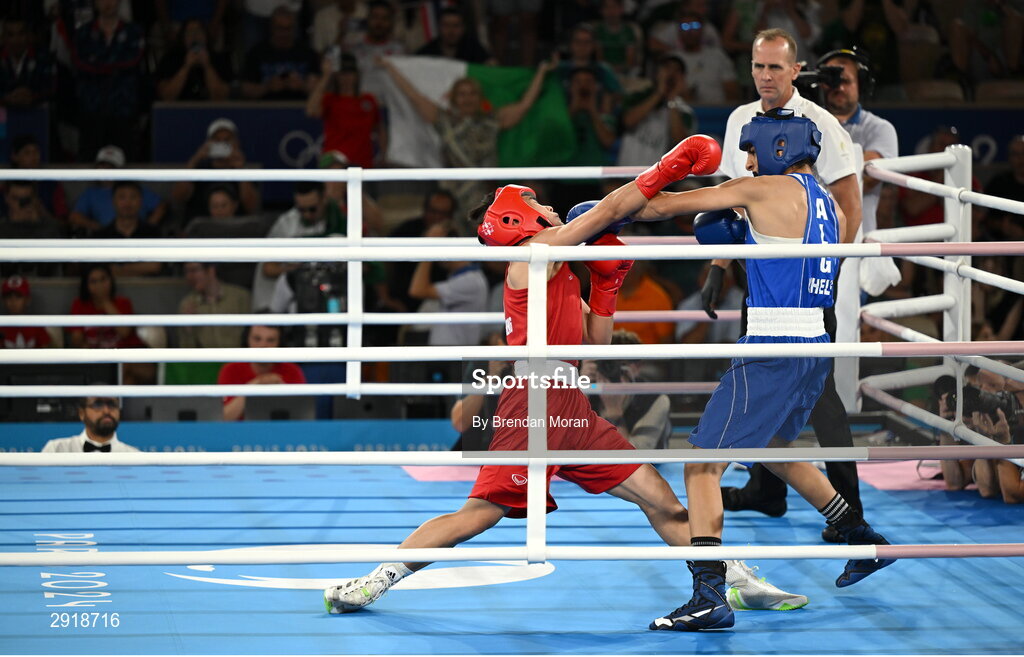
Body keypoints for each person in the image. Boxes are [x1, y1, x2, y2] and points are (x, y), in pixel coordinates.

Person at [324, 134, 809, 619]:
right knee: (479, 514)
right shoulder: (531, 255)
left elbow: (594, 346)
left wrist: (607, 283)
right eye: (538, 202)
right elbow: (607, 211)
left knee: (659, 499)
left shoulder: (557, 268)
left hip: (572, 406)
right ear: (518, 219)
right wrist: (669, 168)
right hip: (532, 404)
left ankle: (734, 579)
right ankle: (375, 580)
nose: (552, 206)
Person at [616, 110, 895, 632]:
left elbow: (665, 206)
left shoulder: (764, 188)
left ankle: (707, 595)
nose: (745, 162)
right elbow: (787, 262)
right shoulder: (828, 204)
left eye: (751, 150)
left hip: (772, 348)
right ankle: (863, 540)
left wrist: (610, 212)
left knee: (699, 467)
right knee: (776, 452)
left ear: (780, 145)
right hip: (814, 345)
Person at [706, 29, 865, 542]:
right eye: (758, 67)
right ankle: (767, 493)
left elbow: (850, 205)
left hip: (807, 287)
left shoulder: (818, 124)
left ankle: (851, 511)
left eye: (776, 67)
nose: (766, 76)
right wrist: (719, 266)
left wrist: (823, 274)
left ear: (796, 71)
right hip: (762, 281)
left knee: (822, 400)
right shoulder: (739, 121)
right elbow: (735, 200)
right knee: (764, 390)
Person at [69, 146, 168, 236]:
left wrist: (147, 227)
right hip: (107, 237)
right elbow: (75, 216)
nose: (105, 171)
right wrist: (99, 228)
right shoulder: (90, 193)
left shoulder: (135, 189)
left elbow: (162, 206)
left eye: (110, 167)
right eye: (102, 166)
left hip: (139, 236)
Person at [217, 323, 306, 421]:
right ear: (247, 339)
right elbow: (224, 418)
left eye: (270, 340)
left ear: (279, 343)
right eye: (257, 339)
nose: (263, 346)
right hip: (239, 434)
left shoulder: (292, 370)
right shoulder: (230, 370)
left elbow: (303, 419)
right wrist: (255, 385)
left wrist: (282, 389)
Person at [153, 16, 232, 101]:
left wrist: (207, 66)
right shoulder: (170, 59)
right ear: (183, 38)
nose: (195, 36)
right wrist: (186, 66)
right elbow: (166, 96)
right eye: (190, 32)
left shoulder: (219, 59)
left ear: (206, 36)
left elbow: (222, 97)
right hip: (179, 112)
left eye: (198, 31)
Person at [177, 262, 251, 349]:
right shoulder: (187, 304)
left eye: (194, 270)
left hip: (238, 358)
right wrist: (188, 330)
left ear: (211, 271)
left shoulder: (240, 297)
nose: (189, 277)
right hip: (206, 360)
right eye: (186, 272)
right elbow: (186, 349)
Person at [42, 394, 139, 453]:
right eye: (98, 404)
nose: (106, 411)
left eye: (112, 404)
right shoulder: (56, 449)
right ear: (81, 413)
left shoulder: (135, 457)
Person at [0, 275, 52, 349]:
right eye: (9, 296)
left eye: (18, 296)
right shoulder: (1, 326)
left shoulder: (35, 324)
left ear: (27, 300)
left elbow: (46, 351)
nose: (13, 301)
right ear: (3, 300)